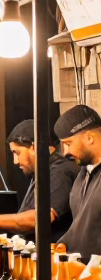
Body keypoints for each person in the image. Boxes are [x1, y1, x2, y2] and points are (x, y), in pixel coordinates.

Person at [0, 120, 77, 238]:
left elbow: (41, 217)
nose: (15, 161)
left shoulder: (60, 172)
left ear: (34, 147)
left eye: (17, 153)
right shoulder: (43, 170)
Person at [53, 104, 101, 261]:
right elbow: (80, 227)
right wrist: (60, 247)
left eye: (68, 143)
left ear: (89, 138)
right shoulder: (82, 175)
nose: (65, 152)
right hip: (82, 278)